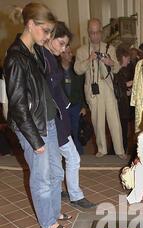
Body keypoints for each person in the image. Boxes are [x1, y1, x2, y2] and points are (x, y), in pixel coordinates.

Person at [4, 3, 70, 228]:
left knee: (56, 171)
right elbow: (18, 105)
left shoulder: (35, 51)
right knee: (41, 177)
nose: (49, 36)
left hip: (47, 120)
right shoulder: (15, 58)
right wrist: (34, 139)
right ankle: (47, 221)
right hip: (33, 126)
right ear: (30, 25)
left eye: (50, 32)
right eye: (45, 30)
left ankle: (53, 210)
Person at [44, 22, 95, 209]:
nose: (64, 49)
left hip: (58, 117)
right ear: (50, 37)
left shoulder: (49, 58)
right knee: (72, 157)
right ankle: (75, 195)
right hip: (54, 119)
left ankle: (60, 191)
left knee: (58, 159)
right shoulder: (45, 59)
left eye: (66, 45)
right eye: (62, 43)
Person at [74, 18, 126, 159]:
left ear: (101, 32)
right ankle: (101, 149)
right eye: (92, 33)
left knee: (114, 120)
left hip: (108, 89)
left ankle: (119, 149)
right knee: (97, 121)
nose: (95, 36)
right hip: (93, 90)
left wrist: (110, 62)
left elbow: (116, 69)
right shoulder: (81, 51)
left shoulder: (110, 48)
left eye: (97, 32)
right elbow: (77, 70)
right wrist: (89, 59)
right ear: (88, 33)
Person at [60, 45, 86, 155]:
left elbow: (81, 89)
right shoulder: (56, 70)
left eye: (71, 52)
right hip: (62, 107)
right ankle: (67, 154)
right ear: (62, 54)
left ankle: (79, 153)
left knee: (76, 130)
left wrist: (83, 106)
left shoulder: (75, 69)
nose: (71, 55)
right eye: (68, 52)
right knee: (65, 132)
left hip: (75, 105)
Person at [114, 46, 133, 154]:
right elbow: (119, 87)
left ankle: (121, 151)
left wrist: (126, 90)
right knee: (122, 131)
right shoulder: (118, 71)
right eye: (127, 58)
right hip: (120, 106)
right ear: (123, 57)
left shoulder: (120, 70)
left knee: (122, 130)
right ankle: (121, 152)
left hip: (122, 105)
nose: (129, 60)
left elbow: (121, 87)